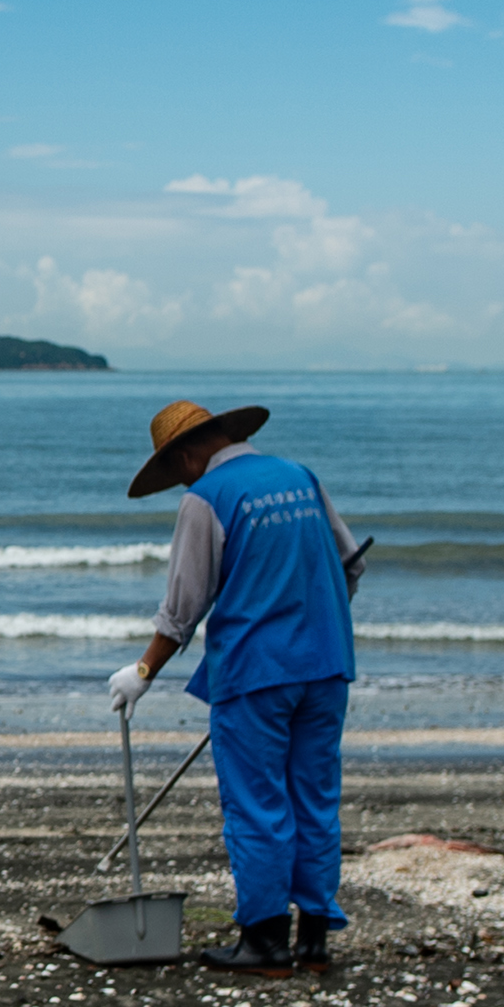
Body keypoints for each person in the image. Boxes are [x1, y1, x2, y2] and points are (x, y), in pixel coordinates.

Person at [108, 398, 361, 976]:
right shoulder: (300, 477)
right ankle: (314, 940)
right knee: (315, 799)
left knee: (257, 803)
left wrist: (142, 672)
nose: (180, 483)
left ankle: (266, 940)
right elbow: (349, 566)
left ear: (189, 453)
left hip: (254, 675)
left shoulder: (207, 498)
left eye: (176, 472)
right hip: (326, 666)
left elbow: (183, 608)